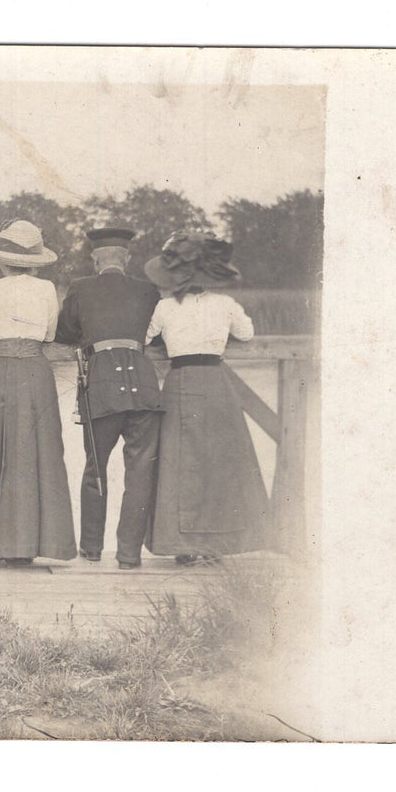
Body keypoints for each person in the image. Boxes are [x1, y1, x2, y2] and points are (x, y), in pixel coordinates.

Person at [0, 219, 77, 564]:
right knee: (38, 452)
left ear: (1, 260)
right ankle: (34, 543)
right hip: (36, 369)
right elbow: (51, 335)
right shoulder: (48, 290)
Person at [143, 231, 270, 564]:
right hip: (216, 382)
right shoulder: (225, 304)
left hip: (181, 381)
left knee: (180, 462)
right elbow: (247, 333)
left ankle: (183, 544)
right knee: (220, 462)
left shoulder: (165, 306)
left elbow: (145, 338)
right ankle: (218, 544)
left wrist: (170, 339)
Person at [54, 226, 162, 569]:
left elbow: (64, 333)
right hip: (143, 384)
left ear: (95, 259)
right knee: (140, 471)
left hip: (100, 383)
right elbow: (157, 336)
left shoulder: (81, 288)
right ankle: (129, 554)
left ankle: (92, 548)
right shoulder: (148, 290)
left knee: (95, 469)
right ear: (126, 259)